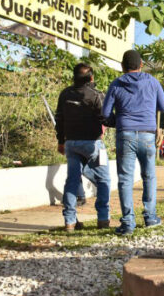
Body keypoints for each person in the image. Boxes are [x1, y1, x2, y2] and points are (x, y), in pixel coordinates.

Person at [102, 49, 164, 235]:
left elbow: (105, 113)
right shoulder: (152, 82)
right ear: (141, 65)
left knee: (125, 179)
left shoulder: (116, 84)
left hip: (125, 135)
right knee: (149, 176)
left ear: (122, 67)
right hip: (148, 135)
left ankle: (128, 224)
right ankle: (150, 217)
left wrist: (120, 120)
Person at [55, 63, 111, 231]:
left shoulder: (65, 94)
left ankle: (70, 221)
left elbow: (59, 119)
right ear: (92, 78)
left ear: (73, 77)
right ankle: (102, 219)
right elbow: (105, 118)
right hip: (93, 144)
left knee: (72, 180)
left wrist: (60, 141)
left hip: (71, 144)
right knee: (103, 180)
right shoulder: (96, 95)